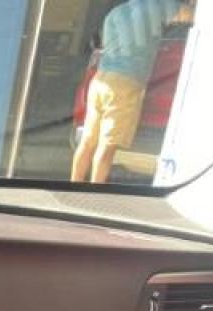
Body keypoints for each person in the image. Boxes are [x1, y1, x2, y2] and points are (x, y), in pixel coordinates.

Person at [71, 0, 194, 183]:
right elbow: (193, 16)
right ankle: (95, 191)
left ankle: (75, 185)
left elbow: (106, 44)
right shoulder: (157, 6)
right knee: (107, 146)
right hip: (124, 84)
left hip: (100, 79)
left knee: (88, 142)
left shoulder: (116, 12)